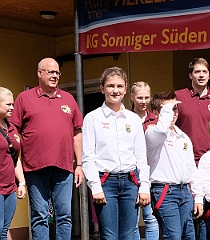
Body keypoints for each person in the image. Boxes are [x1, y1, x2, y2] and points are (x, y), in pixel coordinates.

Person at [11, 58, 84, 240]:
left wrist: (80, 165)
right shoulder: (24, 98)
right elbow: (14, 132)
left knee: (65, 216)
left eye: (57, 73)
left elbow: (77, 132)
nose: (55, 76)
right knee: (39, 216)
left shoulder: (68, 99)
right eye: (51, 72)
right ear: (39, 73)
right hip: (34, 167)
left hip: (64, 167)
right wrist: (15, 164)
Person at [82, 67, 150, 239]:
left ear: (126, 89)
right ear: (102, 88)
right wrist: (95, 187)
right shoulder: (92, 118)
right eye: (110, 86)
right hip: (106, 183)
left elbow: (141, 157)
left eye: (119, 86)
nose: (115, 90)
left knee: (129, 234)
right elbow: (88, 157)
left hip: (130, 181)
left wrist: (145, 187)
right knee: (109, 235)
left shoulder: (133, 119)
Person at [145, 90, 203, 240]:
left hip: (185, 191)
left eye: (175, 108)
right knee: (174, 236)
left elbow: (192, 169)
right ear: (156, 113)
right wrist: (166, 111)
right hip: (165, 191)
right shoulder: (152, 132)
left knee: (188, 235)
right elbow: (161, 131)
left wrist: (197, 197)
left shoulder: (183, 136)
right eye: (167, 109)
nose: (173, 113)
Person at [175, 57, 210, 165]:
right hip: (184, 158)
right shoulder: (178, 96)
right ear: (190, 75)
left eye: (204, 72)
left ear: (209, 75)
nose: (201, 75)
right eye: (197, 72)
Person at [130, 81, 159, 240]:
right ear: (132, 97)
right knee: (133, 220)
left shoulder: (155, 120)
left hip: (152, 173)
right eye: (140, 97)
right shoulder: (125, 118)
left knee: (151, 218)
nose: (143, 101)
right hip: (131, 174)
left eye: (147, 97)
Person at [0, 87, 26, 239]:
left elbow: (15, 158)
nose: (13, 108)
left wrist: (21, 183)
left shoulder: (12, 129)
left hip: (10, 188)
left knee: (4, 230)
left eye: (13, 104)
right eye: (8, 105)